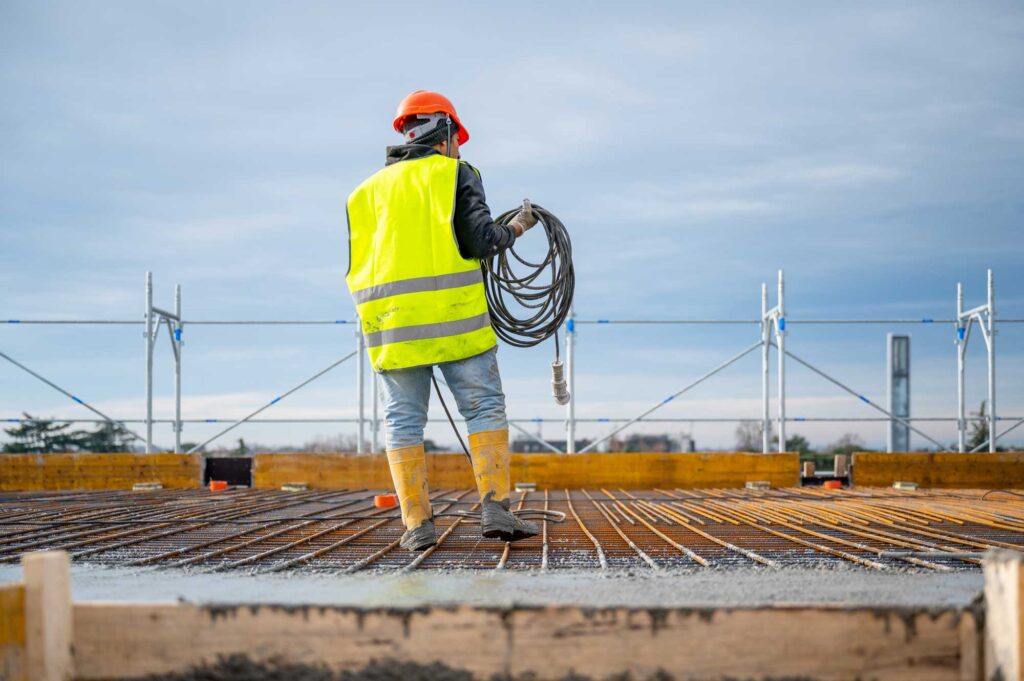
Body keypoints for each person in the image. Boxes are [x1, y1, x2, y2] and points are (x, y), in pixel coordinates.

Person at [345, 90, 539, 551]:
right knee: (484, 409)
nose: (459, 148)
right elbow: (480, 241)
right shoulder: (456, 174)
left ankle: (417, 526)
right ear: (445, 130)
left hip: (393, 330)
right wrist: (517, 227)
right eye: (457, 138)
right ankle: (496, 509)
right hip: (457, 325)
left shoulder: (365, 192)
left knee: (402, 422)